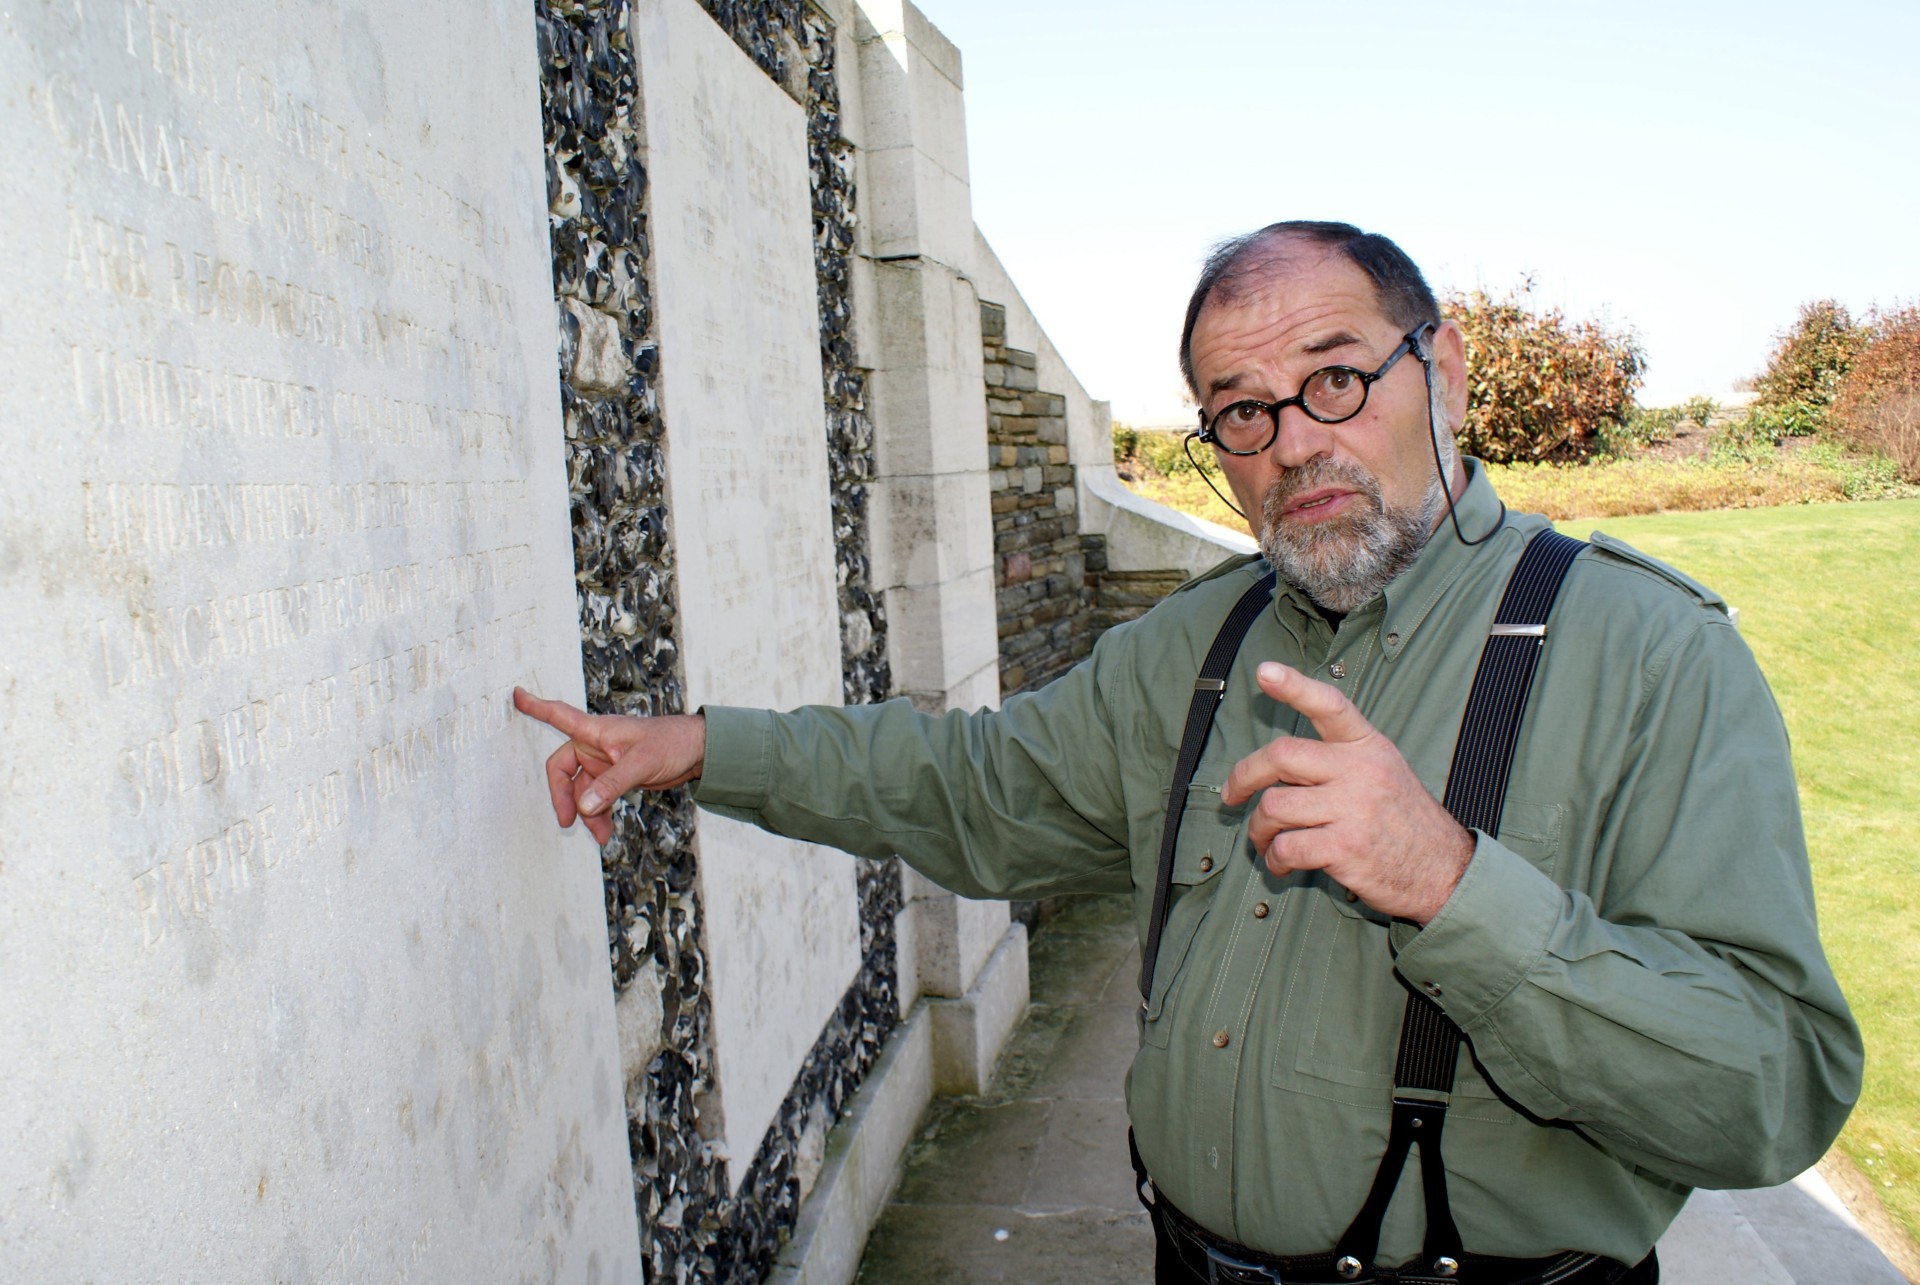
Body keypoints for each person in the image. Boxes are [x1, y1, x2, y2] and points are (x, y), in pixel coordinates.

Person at [515, 222, 1862, 1284]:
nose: (1295, 443)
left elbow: (1773, 1086)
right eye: (1241, 409)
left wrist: (1455, 883)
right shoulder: (1198, 644)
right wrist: (703, 745)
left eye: (1337, 376)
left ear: (1441, 374)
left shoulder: (1650, 653)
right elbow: (977, 794)